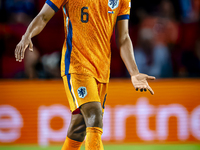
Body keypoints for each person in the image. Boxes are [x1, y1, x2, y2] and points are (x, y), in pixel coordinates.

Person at [15, 0, 155, 149]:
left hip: (101, 70)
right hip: (77, 65)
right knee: (94, 116)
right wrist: (27, 35)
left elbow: (123, 37)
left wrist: (134, 72)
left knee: (78, 128)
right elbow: (43, 16)